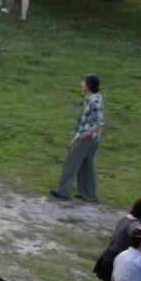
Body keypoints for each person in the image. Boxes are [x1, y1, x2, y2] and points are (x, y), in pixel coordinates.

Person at [52, 74, 105, 203]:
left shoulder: (94, 101)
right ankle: (89, 194)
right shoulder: (93, 98)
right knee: (86, 165)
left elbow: (99, 123)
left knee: (71, 163)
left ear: (89, 85)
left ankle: (62, 191)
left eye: (83, 82)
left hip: (86, 138)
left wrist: (82, 135)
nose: (81, 83)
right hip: (91, 138)